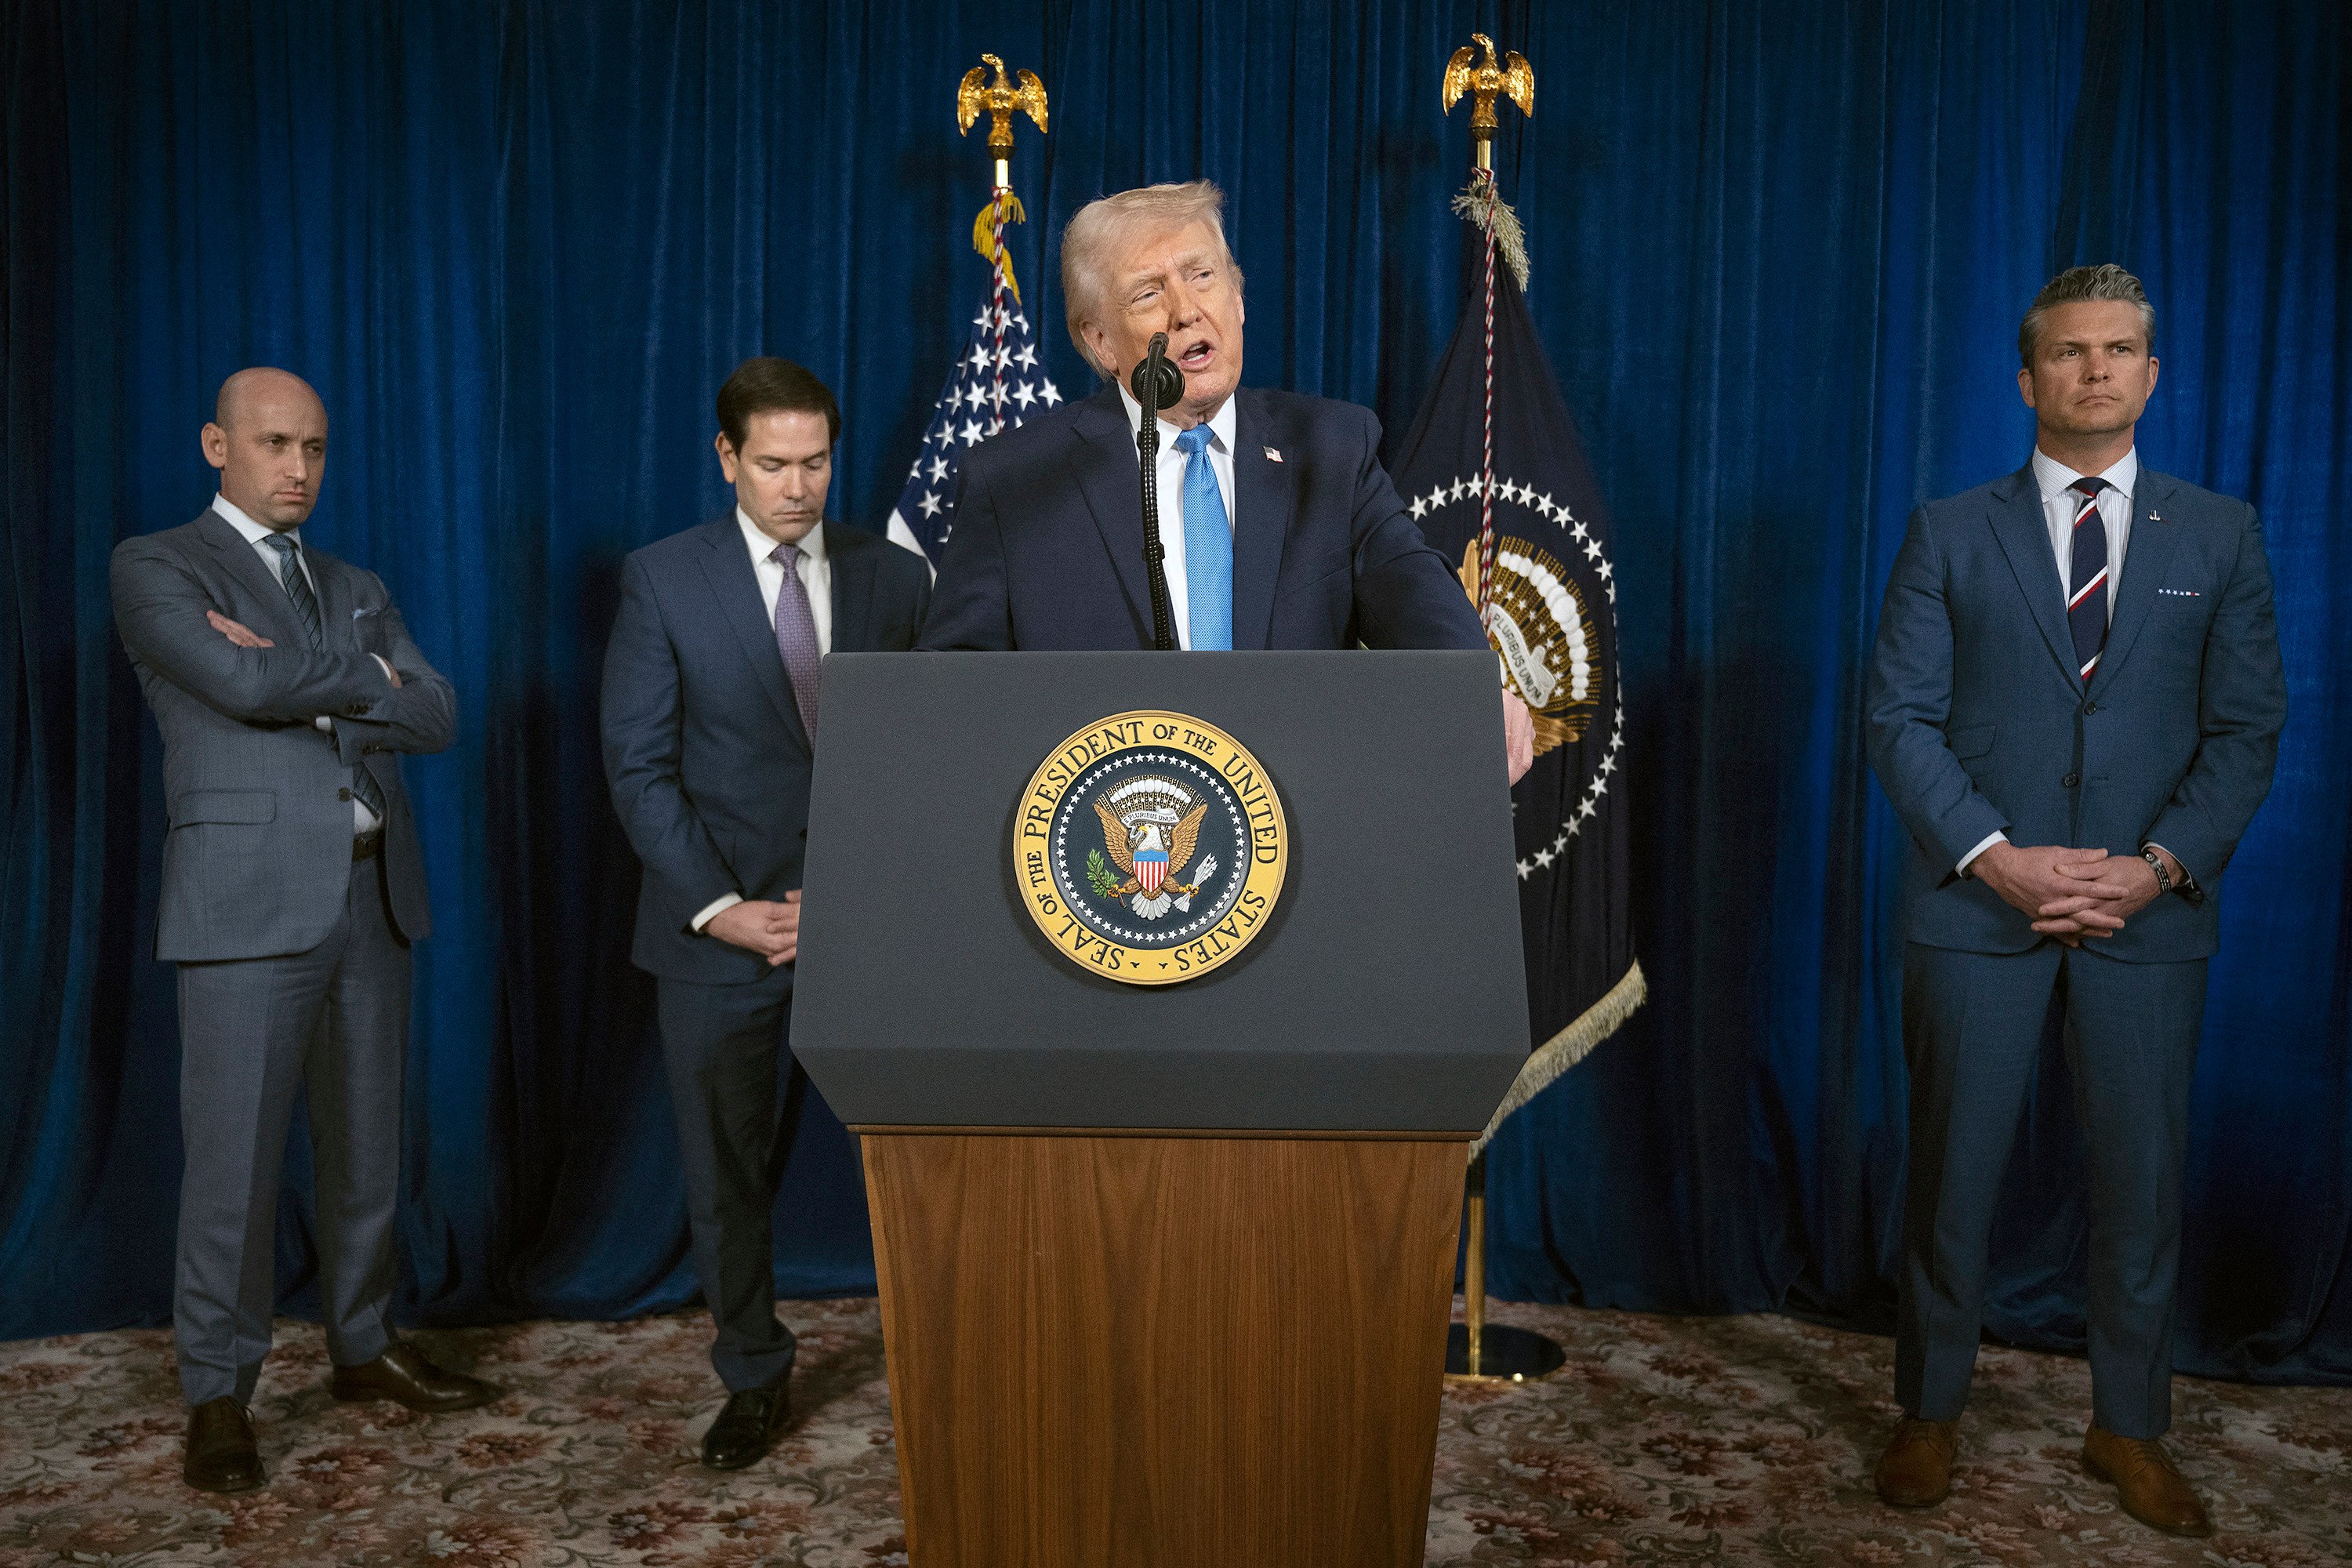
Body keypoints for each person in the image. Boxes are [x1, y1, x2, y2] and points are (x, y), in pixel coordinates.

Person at [1865, 265, 2286, 1536]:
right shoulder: (1949, 530)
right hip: (1975, 912)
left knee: (2142, 1189)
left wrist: (2153, 869)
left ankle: (2129, 1428)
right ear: (2026, 378)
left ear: (2151, 375)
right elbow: (1899, 718)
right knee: (1952, 1180)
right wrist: (1997, 858)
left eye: (2117, 350)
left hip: (2147, 919)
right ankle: (1929, 1411)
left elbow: (2248, 729)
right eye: (2068, 351)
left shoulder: (2221, 535)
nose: (2094, 369)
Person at [109, 368, 492, 1495]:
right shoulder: (158, 565)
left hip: (373, 895)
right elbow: (233, 681)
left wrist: (308, 677)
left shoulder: (354, 581)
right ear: (216, 445)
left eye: (315, 447)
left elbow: (437, 710)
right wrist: (362, 677)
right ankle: (218, 1391)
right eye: (275, 443)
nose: (299, 468)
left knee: (368, 1147)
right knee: (232, 1164)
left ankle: (362, 1343)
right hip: (246, 899)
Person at [918, 180, 1534, 783]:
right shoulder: (1016, 482)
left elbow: (1417, 599)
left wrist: (1475, 689)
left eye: (1203, 276)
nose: (1187, 310)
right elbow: (950, 697)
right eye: (1148, 294)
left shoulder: (1332, 451)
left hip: (1293, 815)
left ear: (1238, 300)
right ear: (1101, 342)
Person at [601, 357, 932, 1470]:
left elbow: (924, 759)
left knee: (922, 1159)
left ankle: (947, 1351)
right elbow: (639, 767)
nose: (799, 487)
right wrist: (720, 909)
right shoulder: (662, 579)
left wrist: (861, 897)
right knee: (725, 1175)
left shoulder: (896, 577)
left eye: (818, 463)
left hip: (870, 930)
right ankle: (752, 1374)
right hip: (723, 939)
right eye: (776, 464)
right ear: (728, 458)